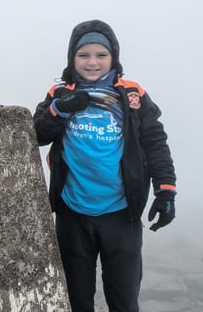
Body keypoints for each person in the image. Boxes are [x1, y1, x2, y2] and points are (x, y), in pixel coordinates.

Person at [32, 19, 177, 311]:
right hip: (73, 212)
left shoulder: (133, 94)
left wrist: (165, 190)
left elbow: (155, 142)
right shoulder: (59, 92)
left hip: (121, 213)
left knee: (124, 300)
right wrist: (59, 109)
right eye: (83, 55)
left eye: (101, 54)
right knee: (76, 299)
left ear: (114, 57)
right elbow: (37, 134)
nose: (92, 62)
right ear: (72, 58)